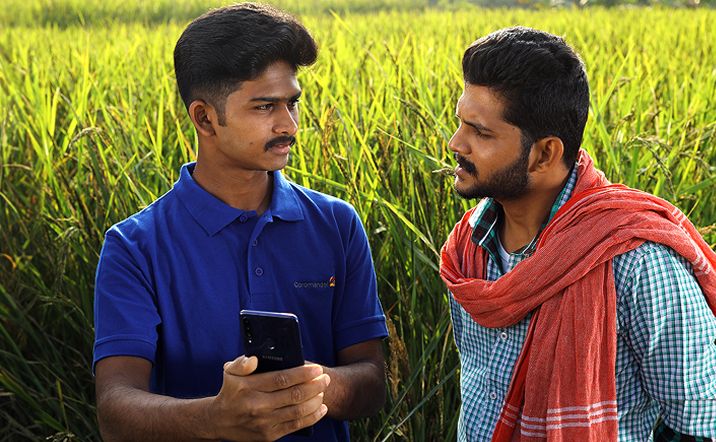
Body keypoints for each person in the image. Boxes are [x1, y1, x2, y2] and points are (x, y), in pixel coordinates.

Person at [92, 4, 388, 441]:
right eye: (265, 106)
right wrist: (216, 417)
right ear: (204, 118)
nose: (289, 125)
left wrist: (303, 387)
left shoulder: (336, 224)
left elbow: (372, 382)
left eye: (292, 103)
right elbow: (115, 410)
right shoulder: (134, 247)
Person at [439, 27, 716, 441]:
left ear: (545, 153)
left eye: (481, 132)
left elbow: (700, 424)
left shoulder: (636, 263)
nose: (455, 143)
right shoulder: (468, 248)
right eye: (460, 123)